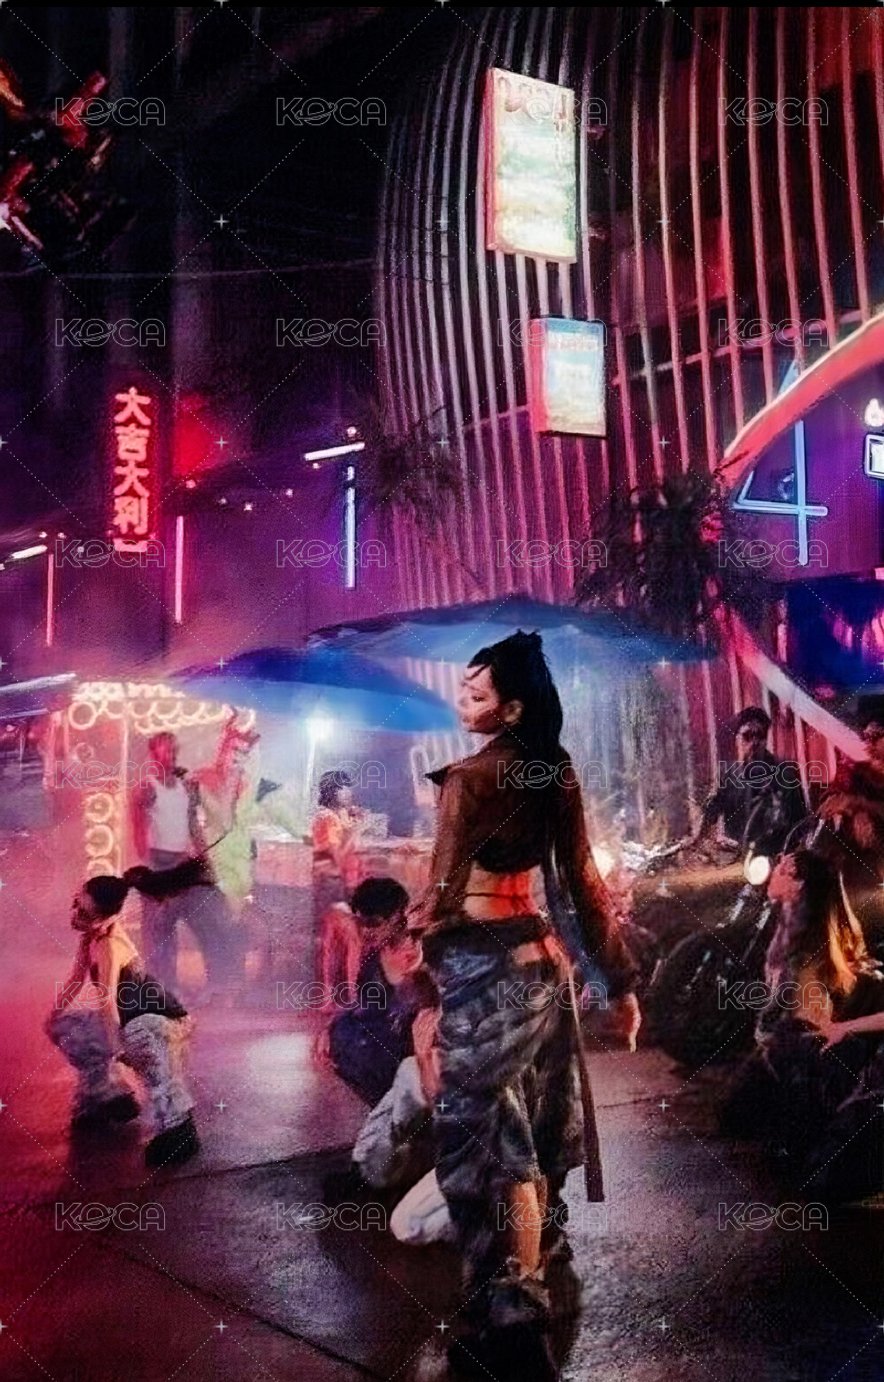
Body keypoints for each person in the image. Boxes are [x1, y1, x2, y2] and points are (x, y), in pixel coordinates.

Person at [407, 630, 640, 1380]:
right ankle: (536, 1271)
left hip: (481, 966)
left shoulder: (468, 780)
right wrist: (620, 981)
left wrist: (424, 981)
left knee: (485, 1142)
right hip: (540, 963)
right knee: (535, 1125)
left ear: (510, 709)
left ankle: (511, 1321)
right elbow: (581, 885)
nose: (462, 701)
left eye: (476, 694)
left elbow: (442, 896)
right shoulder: (554, 770)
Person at [729, 849, 884, 1199]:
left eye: (784, 870)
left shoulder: (807, 951)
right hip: (794, 1045)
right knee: (736, 1116)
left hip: (813, 1056)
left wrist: (836, 1031)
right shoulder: (786, 930)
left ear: (798, 886)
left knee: (810, 1170)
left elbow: (810, 1022)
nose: (774, 873)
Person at [47, 869, 199, 1167]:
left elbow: (107, 1000)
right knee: (69, 1028)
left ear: (106, 917)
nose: (75, 915)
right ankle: (107, 1095)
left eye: (84, 912)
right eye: (76, 903)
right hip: (130, 1020)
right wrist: (52, 1016)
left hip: (159, 1022)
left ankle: (178, 1127)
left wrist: (118, 1047)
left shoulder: (109, 944)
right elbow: (76, 980)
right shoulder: (91, 937)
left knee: (137, 1036)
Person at [130, 731, 237, 997]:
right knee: (158, 931)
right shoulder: (145, 788)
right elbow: (138, 829)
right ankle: (163, 988)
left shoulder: (187, 787)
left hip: (186, 864)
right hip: (159, 863)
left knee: (209, 921)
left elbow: (193, 826)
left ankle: (219, 984)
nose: (171, 754)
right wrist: (149, 871)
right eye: (165, 749)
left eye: (173, 749)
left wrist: (205, 860)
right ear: (153, 754)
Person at [691, 706, 807, 855]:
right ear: (737, 739)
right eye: (747, 736)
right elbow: (712, 808)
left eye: (760, 735)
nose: (754, 742)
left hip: (772, 856)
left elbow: (799, 823)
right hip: (736, 856)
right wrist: (699, 835)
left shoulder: (785, 774)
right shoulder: (727, 775)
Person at [818, 697, 884, 931]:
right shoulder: (855, 771)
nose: (869, 744)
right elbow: (829, 799)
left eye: (876, 737)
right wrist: (848, 808)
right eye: (865, 737)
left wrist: (860, 805)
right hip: (860, 868)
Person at [312, 770, 365, 1004]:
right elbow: (337, 859)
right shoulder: (327, 819)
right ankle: (352, 996)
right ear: (333, 791)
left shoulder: (334, 816)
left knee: (332, 940)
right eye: (344, 787)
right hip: (332, 884)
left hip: (332, 883)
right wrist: (355, 832)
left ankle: (328, 997)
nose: (349, 792)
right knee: (353, 940)